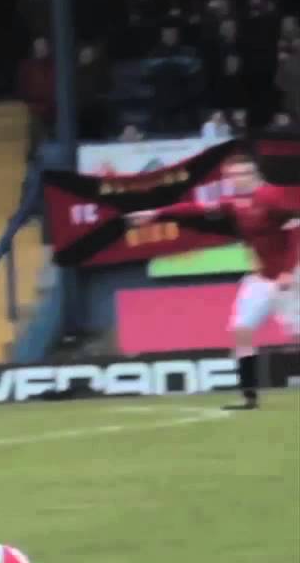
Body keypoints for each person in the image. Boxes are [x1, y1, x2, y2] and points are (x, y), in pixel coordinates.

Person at [126, 154, 300, 411]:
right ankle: (248, 397)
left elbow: (296, 230)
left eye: (244, 174)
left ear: (255, 175)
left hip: (291, 274)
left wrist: (288, 270)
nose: (239, 179)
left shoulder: (272, 197)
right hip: (261, 278)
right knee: (241, 329)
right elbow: (196, 208)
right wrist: (156, 213)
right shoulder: (235, 203)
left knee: (297, 335)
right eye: (234, 175)